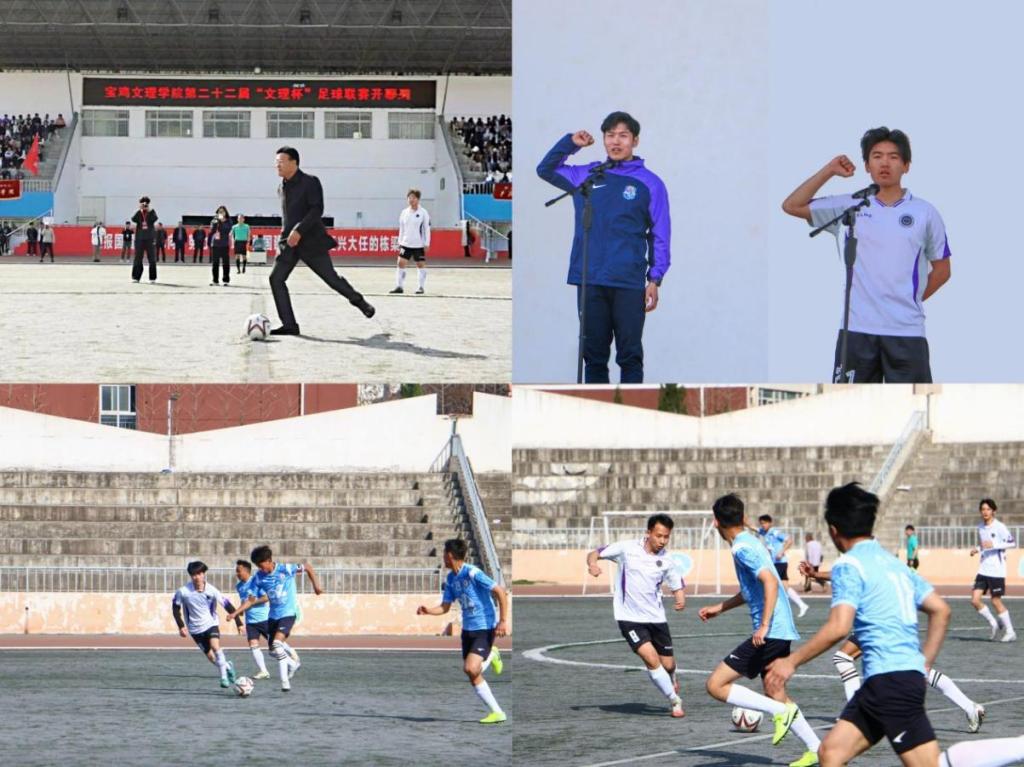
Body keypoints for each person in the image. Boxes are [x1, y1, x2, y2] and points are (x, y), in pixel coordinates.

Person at [765, 483, 1024, 767]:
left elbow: (839, 627)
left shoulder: (849, 564)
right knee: (831, 753)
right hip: (892, 682)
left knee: (931, 765)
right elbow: (940, 610)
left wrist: (791, 661)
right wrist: (924, 663)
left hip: (889, 683)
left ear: (833, 530)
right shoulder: (894, 563)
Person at [781, 127, 951, 383]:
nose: (885, 163)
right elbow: (792, 205)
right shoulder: (851, 205)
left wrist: (910, 299)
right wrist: (829, 170)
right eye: (877, 156)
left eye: (893, 157)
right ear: (867, 165)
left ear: (906, 165)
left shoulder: (925, 212)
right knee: (847, 402)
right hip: (856, 330)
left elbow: (943, 270)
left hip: (906, 331)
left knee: (909, 400)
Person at [536, 111, 670, 383]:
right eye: (610, 135)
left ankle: (630, 405)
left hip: (628, 281)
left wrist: (655, 279)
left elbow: (660, 233)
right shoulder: (586, 175)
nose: (616, 141)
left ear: (635, 141)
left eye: (623, 135)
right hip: (590, 278)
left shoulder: (651, 184)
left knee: (630, 356)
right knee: (593, 357)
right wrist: (570, 143)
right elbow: (545, 169)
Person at [700, 494, 821, 767]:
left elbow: (770, 582)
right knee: (774, 688)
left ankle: (779, 712)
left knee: (716, 685)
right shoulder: (751, 542)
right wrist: (720, 608)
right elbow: (751, 590)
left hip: (772, 631)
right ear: (743, 518)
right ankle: (816, 748)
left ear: (716, 522)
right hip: (780, 629)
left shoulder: (742, 548)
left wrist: (764, 625)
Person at [797, 559, 986, 733]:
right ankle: (970, 707)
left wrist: (815, 574)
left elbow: (843, 575)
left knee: (843, 658)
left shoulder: (863, 559)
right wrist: (815, 574)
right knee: (917, 668)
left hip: (879, 623)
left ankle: (858, 715)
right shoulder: (877, 561)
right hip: (892, 621)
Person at [585, 513, 686, 717]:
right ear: (648, 533)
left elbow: (676, 583)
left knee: (668, 664)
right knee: (650, 658)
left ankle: (672, 676)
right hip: (629, 618)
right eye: (658, 536)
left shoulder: (666, 559)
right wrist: (593, 564)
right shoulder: (627, 549)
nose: (662, 541)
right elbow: (594, 553)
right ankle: (674, 701)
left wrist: (680, 598)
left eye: (666, 537)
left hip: (656, 618)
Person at [269, 146, 375, 335]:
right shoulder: (281, 187)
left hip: (311, 241)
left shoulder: (310, 182)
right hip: (289, 243)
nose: (277, 165)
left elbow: (317, 209)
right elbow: (287, 218)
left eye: (281, 162)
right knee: (275, 279)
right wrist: (285, 237)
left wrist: (299, 230)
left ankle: (359, 301)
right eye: (276, 162)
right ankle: (289, 325)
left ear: (294, 162)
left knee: (331, 278)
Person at [417, 539, 509, 724]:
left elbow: (500, 591)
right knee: (472, 674)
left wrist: (503, 621)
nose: (443, 557)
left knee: (470, 668)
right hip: (468, 631)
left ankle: (491, 654)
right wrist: (429, 611)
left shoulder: (473, 573)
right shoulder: (451, 579)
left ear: (450, 555)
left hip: (484, 627)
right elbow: (445, 607)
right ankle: (498, 712)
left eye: (444, 553)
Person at [228, 545, 322, 692]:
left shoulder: (285, 569)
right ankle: (293, 664)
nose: (260, 569)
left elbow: (308, 567)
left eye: (261, 565)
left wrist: (316, 587)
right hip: (272, 616)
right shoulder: (258, 577)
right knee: (273, 651)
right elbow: (251, 600)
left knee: (277, 644)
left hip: (288, 613)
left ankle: (285, 683)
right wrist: (235, 613)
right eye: (257, 566)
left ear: (269, 560)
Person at [171, 560, 240, 688]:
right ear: (191, 576)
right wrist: (181, 626)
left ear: (204, 574)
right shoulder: (183, 591)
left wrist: (239, 622)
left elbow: (227, 604)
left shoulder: (212, 590)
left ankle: (224, 678)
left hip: (211, 624)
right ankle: (227, 666)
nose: (197, 577)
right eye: (194, 575)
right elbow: (175, 609)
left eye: (199, 574)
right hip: (195, 629)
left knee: (215, 646)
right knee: (211, 658)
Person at [970, 498, 1016, 642]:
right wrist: (977, 549)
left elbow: (1012, 542)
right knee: (975, 600)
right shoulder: (980, 527)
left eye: (988, 509)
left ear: (993, 511)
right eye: (983, 509)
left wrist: (994, 544)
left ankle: (1010, 632)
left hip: (997, 570)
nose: (985, 512)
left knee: (995, 601)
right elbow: (984, 544)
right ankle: (993, 623)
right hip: (983, 569)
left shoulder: (1000, 527)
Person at [757, 514, 809, 617]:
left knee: (770, 583)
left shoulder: (775, 532)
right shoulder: (765, 532)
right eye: (761, 523)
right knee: (784, 586)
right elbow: (754, 529)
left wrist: (781, 552)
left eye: (764, 523)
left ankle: (774, 608)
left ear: (770, 523)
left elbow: (789, 540)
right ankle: (802, 605)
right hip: (777, 563)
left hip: (779, 563)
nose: (763, 525)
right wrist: (745, 523)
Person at [233, 559, 273, 679]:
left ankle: (292, 660)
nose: (237, 574)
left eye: (239, 571)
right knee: (253, 644)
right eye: (236, 571)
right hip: (250, 621)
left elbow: (266, 598)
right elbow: (244, 600)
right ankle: (263, 671)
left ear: (246, 571)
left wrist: (251, 603)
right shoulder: (239, 586)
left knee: (275, 646)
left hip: (264, 619)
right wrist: (242, 610)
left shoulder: (255, 582)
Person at [390, 189, 431, 295]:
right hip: (406, 243)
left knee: (420, 264)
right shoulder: (404, 212)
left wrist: (426, 243)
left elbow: (426, 229)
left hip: (418, 244)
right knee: (400, 263)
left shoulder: (423, 213)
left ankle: (421, 287)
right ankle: (399, 286)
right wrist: (400, 242)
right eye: (409, 198)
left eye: (413, 197)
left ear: (418, 199)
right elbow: (402, 228)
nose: (411, 200)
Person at [130, 195, 158, 283]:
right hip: (140, 239)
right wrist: (140, 209)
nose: (144, 205)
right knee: (138, 258)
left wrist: (149, 210)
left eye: (146, 204)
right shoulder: (139, 213)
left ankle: (152, 278)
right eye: (143, 203)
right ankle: (136, 277)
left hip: (150, 238)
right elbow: (133, 219)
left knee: (152, 259)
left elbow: (155, 218)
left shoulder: (152, 212)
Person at [208, 205, 232, 286]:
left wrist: (222, 222)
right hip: (215, 245)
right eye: (219, 211)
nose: (221, 213)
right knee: (215, 263)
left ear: (225, 212)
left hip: (224, 245)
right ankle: (215, 281)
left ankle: (226, 280)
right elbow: (212, 231)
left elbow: (227, 230)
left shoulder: (228, 221)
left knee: (226, 263)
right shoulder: (214, 220)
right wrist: (216, 222)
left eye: (222, 211)